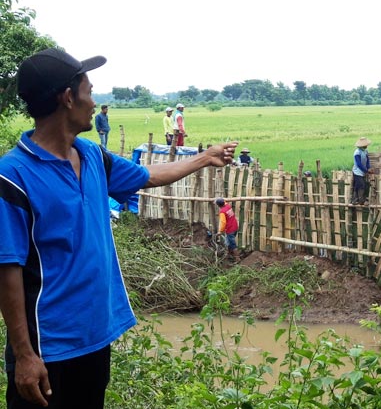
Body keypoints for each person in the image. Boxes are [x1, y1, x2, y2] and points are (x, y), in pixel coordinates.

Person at [0, 48, 237, 409]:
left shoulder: (93, 156)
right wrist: (25, 355)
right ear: (68, 98)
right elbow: (7, 268)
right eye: (89, 91)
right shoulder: (13, 175)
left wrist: (205, 158)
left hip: (96, 337)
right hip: (47, 347)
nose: (94, 102)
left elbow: (148, 176)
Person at [351, 137, 372, 205]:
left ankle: (355, 200)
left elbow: (367, 160)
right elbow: (359, 164)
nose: (366, 146)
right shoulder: (357, 152)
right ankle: (360, 201)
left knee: (359, 185)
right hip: (357, 171)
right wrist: (366, 170)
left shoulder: (365, 151)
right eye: (365, 145)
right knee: (361, 185)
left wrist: (368, 168)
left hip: (362, 171)